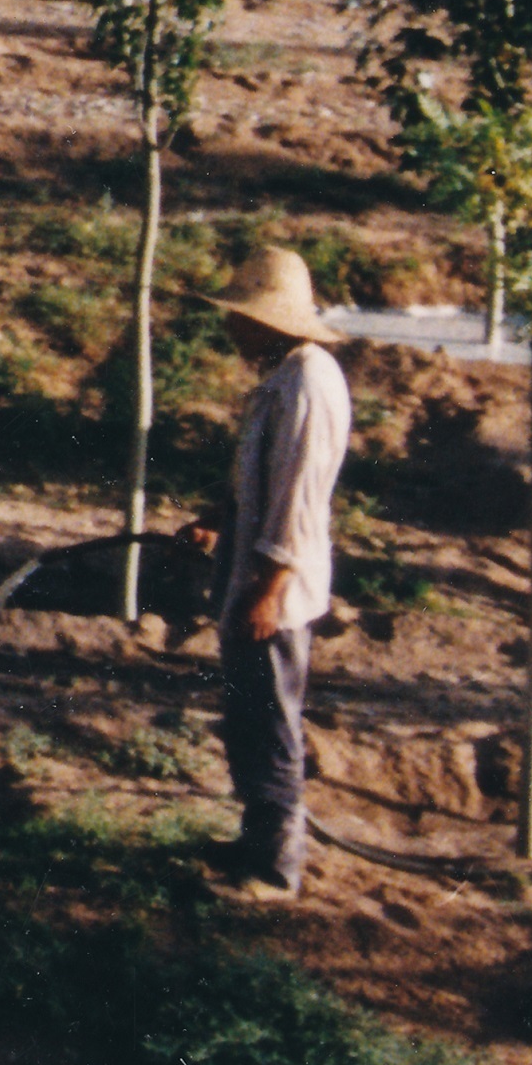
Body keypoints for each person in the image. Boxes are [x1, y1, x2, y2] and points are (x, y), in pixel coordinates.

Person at [194, 245, 351, 900]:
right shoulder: (284, 376)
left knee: (273, 722)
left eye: (240, 314)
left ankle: (276, 867)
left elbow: (298, 497)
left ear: (269, 318)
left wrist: (269, 586)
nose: (230, 327)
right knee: (250, 715)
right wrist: (219, 519)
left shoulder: (309, 382)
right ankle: (255, 839)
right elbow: (259, 484)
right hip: (254, 569)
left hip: (275, 586)